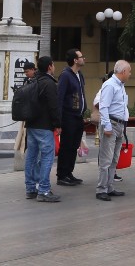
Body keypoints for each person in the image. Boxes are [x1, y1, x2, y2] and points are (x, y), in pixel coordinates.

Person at [24, 55, 61, 202]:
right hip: (44, 125)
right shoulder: (49, 83)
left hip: (31, 124)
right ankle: (44, 190)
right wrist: (58, 124)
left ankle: (30, 188)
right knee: (47, 157)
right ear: (50, 66)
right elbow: (53, 106)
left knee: (31, 156)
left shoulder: (33, 81)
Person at [95, 60, 131, 201]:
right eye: (129, 71)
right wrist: (107, 126)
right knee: (106, 159)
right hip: (111, 123)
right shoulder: (110, 85)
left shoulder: (120, 85)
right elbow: (103, 106)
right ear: (123, 71)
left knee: (114, 158)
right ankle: (101, 189)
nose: (130, 74)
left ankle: (109, 187)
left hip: (119, 125)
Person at [55, 48, 87, 187]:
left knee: (74, 146)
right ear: (75, 60)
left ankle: (69, 172)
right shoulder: (65, 75)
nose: (83, 58)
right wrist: (59, 121)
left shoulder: (79, 75)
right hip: (68, 116)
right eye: (81, 56)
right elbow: (60, 98)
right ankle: (62, 175)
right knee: (66, 146)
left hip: (78, 116)